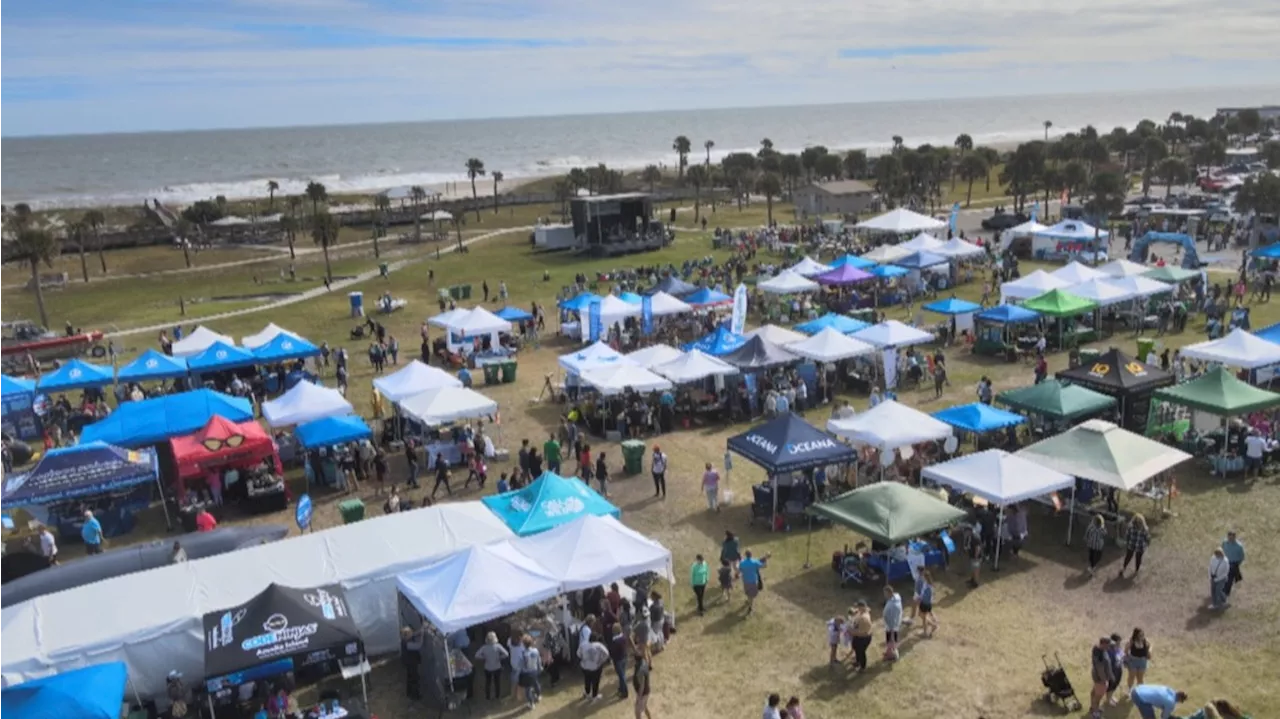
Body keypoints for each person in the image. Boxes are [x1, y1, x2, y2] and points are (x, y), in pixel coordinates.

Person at [474, 632, 509, 701]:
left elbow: (476, 655)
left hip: (487, 667)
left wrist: (484, 658)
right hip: (497, 667)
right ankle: (497, 696)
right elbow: (506, 654)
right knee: (497, 682)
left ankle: (488, 696)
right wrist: (500, 657)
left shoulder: (484, 647)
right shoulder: (498, 646)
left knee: (488, 682)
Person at [578, 634, 610, 701]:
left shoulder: (583, 644)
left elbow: (578, 654)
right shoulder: (599, 645)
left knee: (587, 680)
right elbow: (607, 653)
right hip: (596, 667)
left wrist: (583, 659)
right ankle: (594, 696)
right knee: (595, 681)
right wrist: (601, 661)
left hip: (585, 666)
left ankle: (587, 693)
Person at [1090, 636, 1116, 718]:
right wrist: (1104, 680)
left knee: (1094, 693)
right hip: (1100, 679)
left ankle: (1093, 707)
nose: (1110, 647)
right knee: (1098, 696)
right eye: (1108, 645)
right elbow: (1101, 669)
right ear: (1103, 644)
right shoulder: (1100, 656)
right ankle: (1095, 712)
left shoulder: (1098, 649)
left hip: (1096, 676)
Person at [1118, 513, 1151, 578]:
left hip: (1140, 546)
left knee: (1138, 558)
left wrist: (1147, 543)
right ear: (1134, 522)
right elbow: (1127, 535)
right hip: (1132, 544)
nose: (1138, 524)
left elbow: (1147, 538)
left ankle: (1136, 570)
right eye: (1137, 522)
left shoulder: (1145, 529)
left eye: (1140, 523)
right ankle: (1124, 568)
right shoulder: (1131, 527)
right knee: (1128, 556)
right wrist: (1127, 542)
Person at [739, 549, 770, 615]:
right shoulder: (755, 562)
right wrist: (766, 558)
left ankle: (748, 601)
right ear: (751, 555)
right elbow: (764, 566)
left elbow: (740, 570)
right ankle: (750, 607)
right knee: (752, 595)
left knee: (748, 593)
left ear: (745, 555)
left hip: (745, 581)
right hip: (753, 581)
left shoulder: (742, 563)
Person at [847, 601, 873, 672]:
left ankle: (862, 667)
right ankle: (857, 661)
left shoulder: (864, 618)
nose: (857, 609)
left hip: (863, 638)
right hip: (858, 636)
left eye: (858, 607)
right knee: (855, 647)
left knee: (861, 652)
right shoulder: (861, 612)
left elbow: (862, 632)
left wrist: (852, 632)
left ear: (862, 607)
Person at [517, 634, 543, 708]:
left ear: (523, 644)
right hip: (534, 671)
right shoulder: (535, 650)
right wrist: (539, 668)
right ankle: (539, 696)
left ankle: (531, 704)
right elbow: (539, 660)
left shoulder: (522, 653)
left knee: (528, 689)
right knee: (536, 683)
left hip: (526, 673)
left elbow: (521, 665)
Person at [881, 586, 903, 661]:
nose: (884, 595)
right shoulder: (897, 597)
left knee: (891, 641)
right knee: (890, 640)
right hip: (894, 623)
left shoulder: (892, 604)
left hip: (892, 625)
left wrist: (890, 627)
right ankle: (888, 652)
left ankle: (894, 655)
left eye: (885, 593)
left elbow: (887, 615)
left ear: (889, 593)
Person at [1221, 530, 1245, 597]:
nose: (1230, 539)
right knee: (1223, 577)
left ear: (1235, 537)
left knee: (1229, 579)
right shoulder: (1224, 543)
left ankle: (1225, 593)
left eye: (1232, 538)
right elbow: (1222, 550)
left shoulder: (1239, 546)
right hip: (1224, 562)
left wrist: (1237, 564)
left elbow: (1242, 556)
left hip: (1233, 564)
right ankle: (1222, 590)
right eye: (1229, 537)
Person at [1105, 633, 1126, 706]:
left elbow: (1122, 655)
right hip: (1112, 671)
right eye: (1118, 641)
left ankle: (1111, 697)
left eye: (1119, 641)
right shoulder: (1109, 650)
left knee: (1115, 684)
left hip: (1118, 669)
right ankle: (1108, 699)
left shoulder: (1118, 648)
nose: (1119, 643)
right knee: (1111, 685)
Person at [632, 645, 653, 719]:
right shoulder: (643, 662)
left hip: (643, 694)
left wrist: (638, 698)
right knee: (644, 707)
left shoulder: (639, 671)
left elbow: (642, 686)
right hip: (646, 691)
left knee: (637, 712)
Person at [917, 570, 938, 638]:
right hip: (927, 603)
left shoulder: (927, 586)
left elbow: (926, 596)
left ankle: (926, 632)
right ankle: (933, 625)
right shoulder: (929, 584)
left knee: (924, 618)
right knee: (921, 615)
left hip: (925, 603)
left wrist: (920, 600)